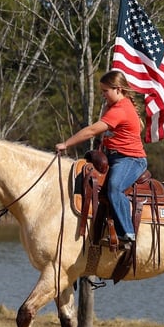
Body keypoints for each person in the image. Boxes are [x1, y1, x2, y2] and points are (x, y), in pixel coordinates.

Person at [56, 70, 147, 247]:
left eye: (106, 91)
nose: (103, 95)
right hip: (115, 158)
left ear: (118, 89)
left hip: (130, 160)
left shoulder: (121, 109)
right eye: (102, 91)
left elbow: (91, 131)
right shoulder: (118, 107)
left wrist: (66, 144)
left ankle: (127, 234)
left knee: (114, 188)